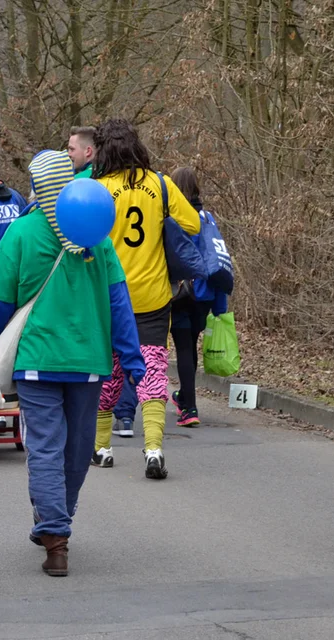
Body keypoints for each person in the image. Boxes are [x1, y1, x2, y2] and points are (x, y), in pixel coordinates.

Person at [0, 150, 144, 576]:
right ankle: (57, 522)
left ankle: (54, 529)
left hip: (36, 360)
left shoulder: (20, 233)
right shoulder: (97, 237)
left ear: (38, 186)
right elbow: (118, 301)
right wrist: (132, 358)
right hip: (88, 361)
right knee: (77, 449)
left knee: (45, 446)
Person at [90, 119, 200, 479]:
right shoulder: (161, 184)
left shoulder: (99, 189)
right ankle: (153, 449)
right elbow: (193, 225)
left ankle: (101, 448)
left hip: (110, 295)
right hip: (153, 296)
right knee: (152, 369)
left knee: (109, 371)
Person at [169, 167, 229, 427]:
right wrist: (219, 302)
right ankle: (185, 397)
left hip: (181, 291)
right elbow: (218, 257)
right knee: (190, 344)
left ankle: (189, 408)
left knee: (183, 347)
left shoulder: (173, 218)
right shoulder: (207, 218)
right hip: (204, 293)